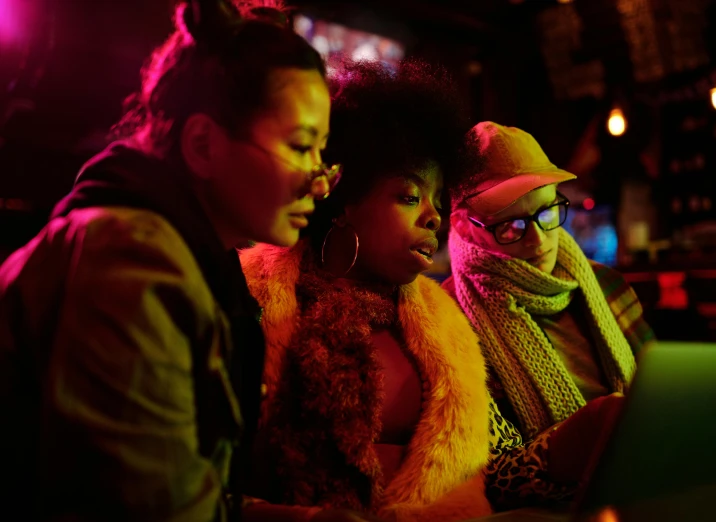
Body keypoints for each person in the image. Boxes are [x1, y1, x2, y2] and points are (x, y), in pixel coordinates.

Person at [0, 1, 340, 520]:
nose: (319, 182)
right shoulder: (129, 264)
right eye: (299, 147)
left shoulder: (201, 262)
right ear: (203, 144)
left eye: (322, 153)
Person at [240, 61, 573, 522]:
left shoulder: (447, 323)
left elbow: (491, 467)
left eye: (438, 202)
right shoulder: (250, 299)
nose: (433, 217)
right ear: (346, 200)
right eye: (410, 196)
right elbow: (193, 478)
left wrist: (574, 444)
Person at [444, 122, 655, 505]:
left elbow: (661, 394)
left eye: (547, 213)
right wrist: (581, 435)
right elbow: (484, 476)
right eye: (512, 225)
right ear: (464, 224)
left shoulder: (607, 285)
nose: (538, 238)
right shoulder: (449, 320)